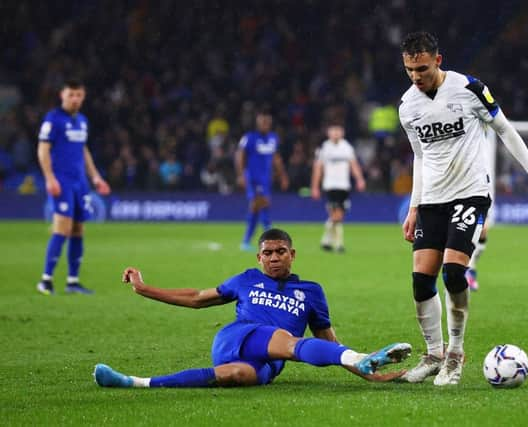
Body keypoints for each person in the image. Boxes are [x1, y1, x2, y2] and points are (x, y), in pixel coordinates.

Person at [397, 32, 528, 385]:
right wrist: (414, 207)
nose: (416, 76)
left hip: (470, 193)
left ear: (437, 61)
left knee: (454, 274)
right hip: (432, 199)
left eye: (422, 68)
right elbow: (420, 157)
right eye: (410, 69)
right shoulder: (407, 106)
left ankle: (455, 355)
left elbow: (504, 129)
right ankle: (433, 353)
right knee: (420, 282)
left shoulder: (468, 88)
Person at [93, 228, 411, 388]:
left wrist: (367, 376)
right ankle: (364, 358)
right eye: (268, 253)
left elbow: (329, 343)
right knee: (285, 337)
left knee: (237, 375)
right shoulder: (246, 279)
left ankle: (134, 382)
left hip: (268, 363)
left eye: (281, 252)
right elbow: (196, 298)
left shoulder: (311, 292)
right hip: (238, 337)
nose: (274, 258)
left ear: (293, 254)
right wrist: (143, 287)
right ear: (259, 258)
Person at [36, 80, 111, 295]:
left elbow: (83, 151)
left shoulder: (82, 121)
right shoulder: (53, 119)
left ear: (83, 96)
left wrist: (96, 177)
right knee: (62, 227)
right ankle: (46, 280)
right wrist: (50, 179)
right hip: (62, 181)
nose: (75, 99)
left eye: (79, 95)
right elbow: (42, 150)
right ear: (62, 95)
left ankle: (72, 281)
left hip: (80, 183)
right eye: (71, 95)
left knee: (78, 229)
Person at [235, 110, 289, 251]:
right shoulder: (249, 138)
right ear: (257, 123)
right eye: (262, 122)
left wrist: (282, 175)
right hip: (253, 178)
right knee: (261, 203)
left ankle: (247, 241)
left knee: (257, 207)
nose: (265, 124)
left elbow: (276, 158)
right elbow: (240, 156)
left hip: (266, 179)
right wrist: (241, 175)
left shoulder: (273, 138)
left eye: (267, 122)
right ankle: (270, 237)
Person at [311, 124, 366, 253]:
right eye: (333, 130)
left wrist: (359, 179)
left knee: (338, 215)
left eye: (338, 130)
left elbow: (354, 165)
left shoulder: (346, 147)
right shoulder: (324, 148)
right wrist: (315, 187)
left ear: (342, 132)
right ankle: (339, 244)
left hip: (344, 186)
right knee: (336, 214)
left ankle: (326, 240)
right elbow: (318, 168)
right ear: (328, 132)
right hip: (330, 186)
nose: (335, 133)